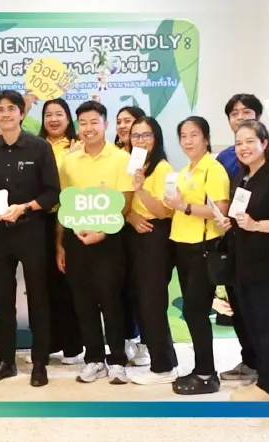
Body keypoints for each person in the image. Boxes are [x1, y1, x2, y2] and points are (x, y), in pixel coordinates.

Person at [0, 90, 60, 387]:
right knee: (2, 299)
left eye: (12, 108)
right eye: (0, 109)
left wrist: (24, 207)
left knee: (38, 298)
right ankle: (5, 361)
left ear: (22, 113)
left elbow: (52, 193)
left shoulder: (39, 147)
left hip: (33, 231)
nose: (6, 114)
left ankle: (39, 363)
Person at [216, 120, 269, 402]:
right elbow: (240, 216)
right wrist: (229, 223)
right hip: (243, 261)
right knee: (251, 322)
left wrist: (256, 225)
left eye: (250, 141)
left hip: (268, 263)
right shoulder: (242, 178)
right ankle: (260, 377)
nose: (244, 147)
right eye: (238, 143)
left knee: (268, 325)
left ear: (264, 144)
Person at [56, 100, 132, 384]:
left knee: (111, 302)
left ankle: (118, 361)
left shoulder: (121, 159)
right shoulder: (69, 161)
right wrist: (60, 244)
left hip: (109, 240)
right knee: (83, 302)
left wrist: (103, 232)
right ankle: (94, 359)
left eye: (94, 122)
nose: (88, 128)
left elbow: (126, 202)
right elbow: (64, 204)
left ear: (105, 125)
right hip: (76, 240)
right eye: (83, 123)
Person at [164, 116, 230, 395]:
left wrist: (185, 206)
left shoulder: (213, 169)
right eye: (183, 136)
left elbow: (221, 210)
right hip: (183, 247)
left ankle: (206, 374)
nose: (188, 141)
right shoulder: (185, 171)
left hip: (203, 248)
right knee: (193, 312)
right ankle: (202, 368)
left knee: (196, 311)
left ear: (206, 138)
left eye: (194, 135)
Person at [21, 98, 84, 366]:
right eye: (48, 115)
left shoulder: (78, 146)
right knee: (40, 286)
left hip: (70, 221)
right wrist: (24, 105)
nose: (54, 119)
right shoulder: (34, 146)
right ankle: (45, 345)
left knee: (68, 285)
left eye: (59, 114)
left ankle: (72, 347)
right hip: (39, 220)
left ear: (68, 119)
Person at [124, 116, 179, 385]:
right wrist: (130, 216)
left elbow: (164, 211)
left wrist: (141, 189)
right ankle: (162, 359)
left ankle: (163, 367)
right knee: (140, 300)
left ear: (156, 138)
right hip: (134, 233)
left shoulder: (163, 168)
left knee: (152, 301)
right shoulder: (132, 164)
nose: (140, 140)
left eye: (146, 135)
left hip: (155, 236)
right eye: (135, 135)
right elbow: (125, 203)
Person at [113, 105, 148, 364]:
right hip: (117, 230)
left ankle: (146, 344)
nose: (123, 126)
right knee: (121, 289)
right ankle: (126, 340)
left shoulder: (150, 158)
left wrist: (134, 215)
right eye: (120, 122)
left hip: (144, 232)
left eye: (129, 121)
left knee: (143, 291)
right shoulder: (113, 156)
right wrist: (127, 215)